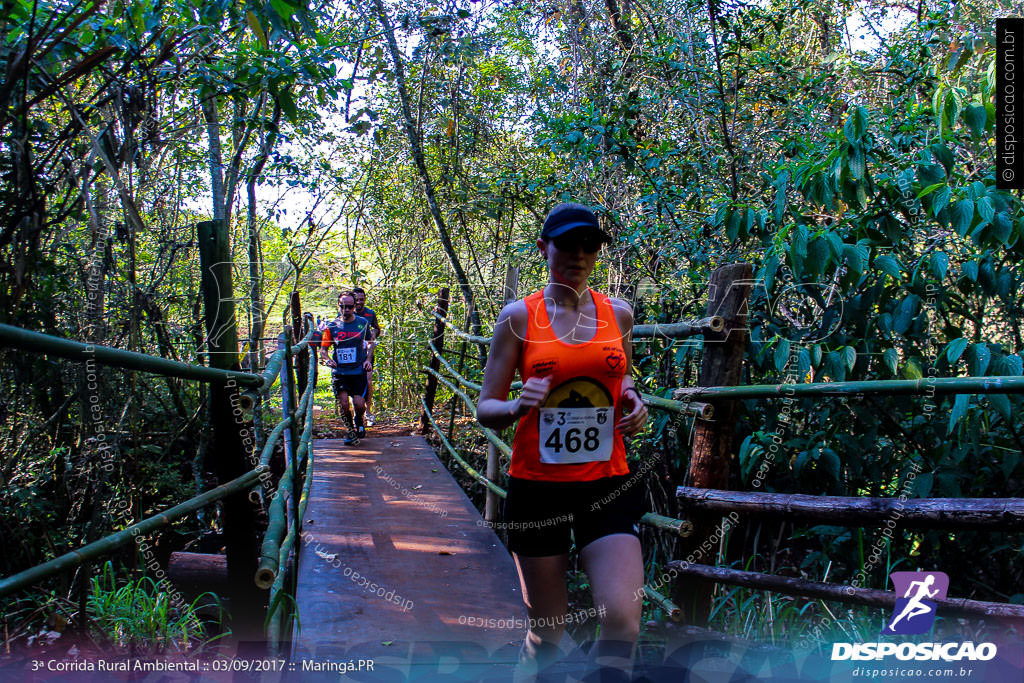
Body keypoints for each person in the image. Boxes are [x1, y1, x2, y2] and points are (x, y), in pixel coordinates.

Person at [476, 203, 648, 681]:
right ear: (543, 248)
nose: (579, 253)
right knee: (546, 632)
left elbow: (623, 378)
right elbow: (484, 407)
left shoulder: (620, 314)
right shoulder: (518, 318)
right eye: (567, 243)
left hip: (606, 484)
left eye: (589, 244)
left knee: (622, 618)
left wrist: (633, 398)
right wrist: (515, 408)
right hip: (537, 489)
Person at [319, 291, 375, 445]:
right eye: (343, 306)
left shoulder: (362, 323)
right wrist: (327, 359)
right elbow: (323, 349)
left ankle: (359, 421)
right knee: (344, 404)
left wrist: (368, 360)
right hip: (340, 372)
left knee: (358, 404)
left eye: (350, 306)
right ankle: (350, 431)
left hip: (358, 371)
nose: (346, 310)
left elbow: (371, 342)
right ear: (339, 306)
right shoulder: (332, 326)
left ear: (354, 306)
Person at [352, 286, 382, 426]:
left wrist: (374, 333)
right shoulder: (346, 313)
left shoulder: (370, 313)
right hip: (352, 354)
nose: (359, 302)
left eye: (361, 299)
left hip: (367, 352)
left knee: (368, 381)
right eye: (356, 299)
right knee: (352, 383)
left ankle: (368, 412)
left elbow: (377, 328)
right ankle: (355, 413)